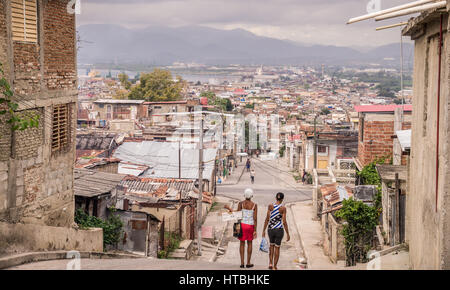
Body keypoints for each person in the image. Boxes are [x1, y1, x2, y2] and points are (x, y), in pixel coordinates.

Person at [225, 188, 257, 268]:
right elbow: (255, 218)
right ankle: (248, 262)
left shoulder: (241, 204)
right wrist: (255, 230)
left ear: (244, 195)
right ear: (252, 195)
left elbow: (237, 214)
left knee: (242, 243)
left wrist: (229, 209)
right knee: (249, 243)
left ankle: (242, 263)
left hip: (242, 225)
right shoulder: (254, 205)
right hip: (250, 226)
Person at [262, 192, 290, 270]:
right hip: (279, 230)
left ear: (275, 198)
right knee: (277, 248)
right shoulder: (283, 208)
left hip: (270, 229)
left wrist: (263, 230)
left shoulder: (270, 206)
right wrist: (288, 233)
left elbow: (267, 219)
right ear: (282, 199)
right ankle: (275, 266)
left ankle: (270, 263)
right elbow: (284, 222)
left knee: (271, 246)